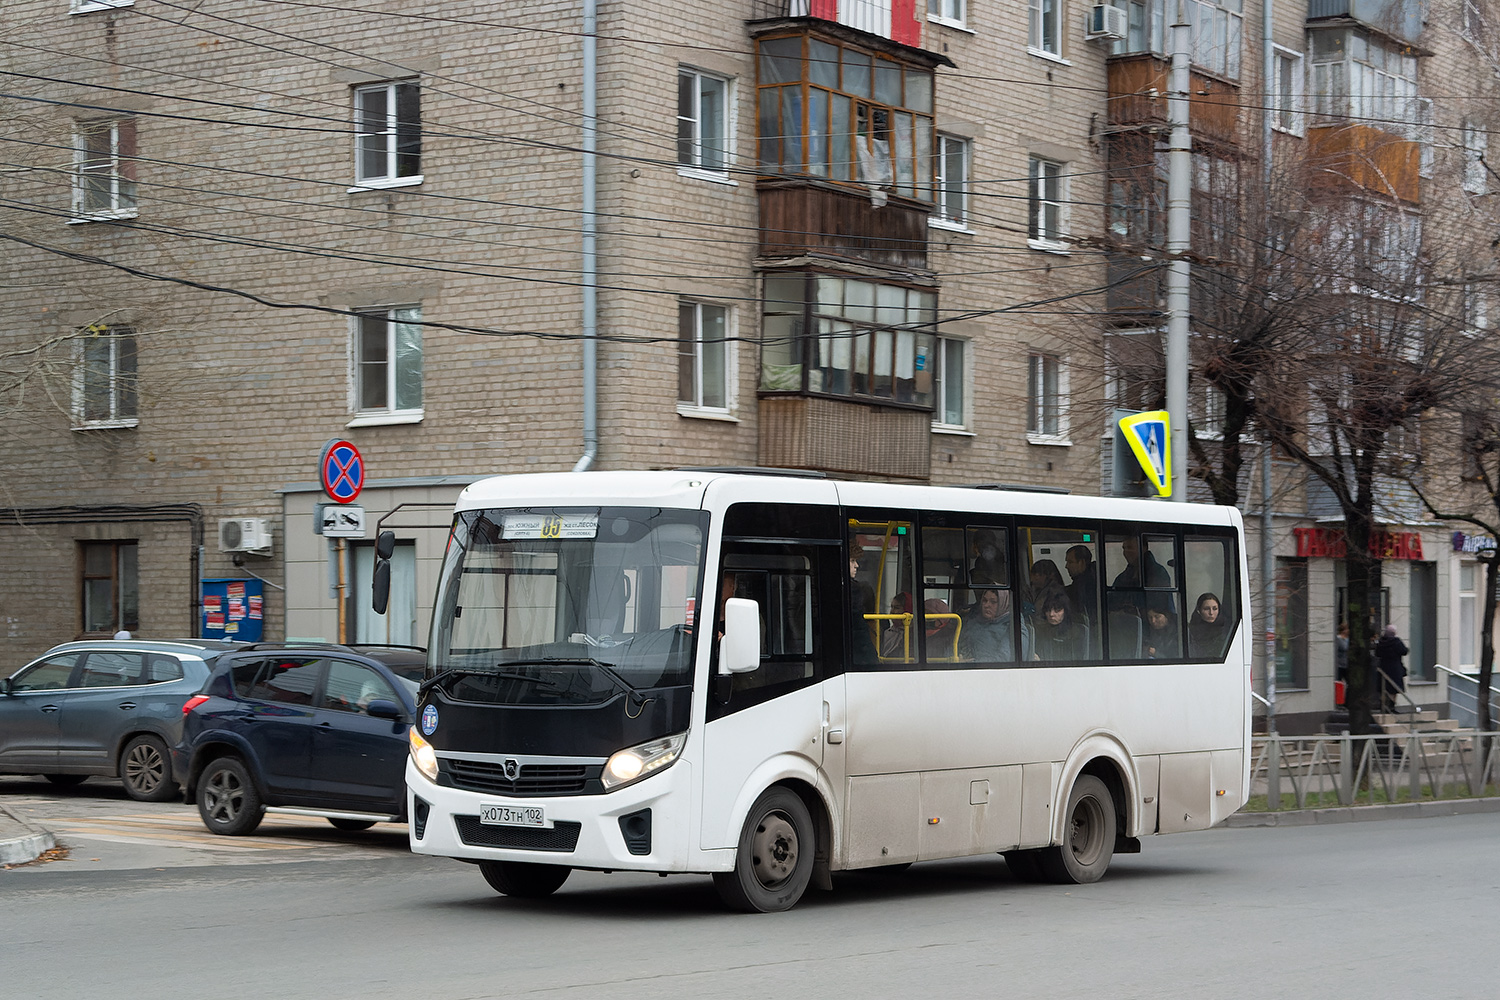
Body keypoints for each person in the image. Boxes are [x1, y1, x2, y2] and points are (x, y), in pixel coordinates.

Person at [1034, 594, 1087, 661]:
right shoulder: (1040, 633)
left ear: (1066, 611)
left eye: (1057, 610)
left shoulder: (1077, 632)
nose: (1051, 614)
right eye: (1048, 610)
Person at [1374, 624, 1409, 714]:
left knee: (1384, 687)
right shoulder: (1396, 642)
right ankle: (1391, 706)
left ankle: (1384, 706)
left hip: (1383, 667)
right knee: (1394, 688)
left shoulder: (1381, 642)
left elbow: (1377, 653)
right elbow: (1404, 651)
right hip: (1395, 667)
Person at [1064, 545, 1099, 626]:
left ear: (1082, 562)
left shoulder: (1087, 585)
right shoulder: (1090, 579)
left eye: (1070, 562)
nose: (1066, 566)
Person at [1186, 592, 1228, 658]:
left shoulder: (1227, 631)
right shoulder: (1190, 631)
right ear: (1199, 610)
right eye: (1206, 609)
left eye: (1215, 609)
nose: (1211, 613)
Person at [880, 591, 915, 660]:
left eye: (897, 608)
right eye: (891, 607)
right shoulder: (888, 632)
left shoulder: (913, 635)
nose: (892, 612)